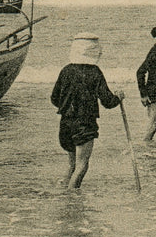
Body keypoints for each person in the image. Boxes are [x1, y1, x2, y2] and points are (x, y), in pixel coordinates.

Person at [51, 34, 124, 188]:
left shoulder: (66, 70)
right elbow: (108, 102)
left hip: (65, 124)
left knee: (72, 165)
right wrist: (118, 97)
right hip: (84, 124)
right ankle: (71, 200)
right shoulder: (95, 72)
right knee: (82, 165)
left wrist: (68, 106)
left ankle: (65, 195)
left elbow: (54, 98)